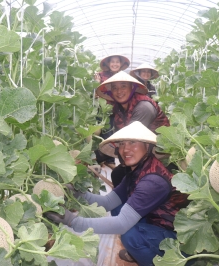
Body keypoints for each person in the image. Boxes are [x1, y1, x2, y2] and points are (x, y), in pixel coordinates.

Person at [46, 121, 190, 266]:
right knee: (118, 207)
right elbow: (108, 202)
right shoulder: (136, 170)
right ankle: (142, 252)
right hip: (158, 224)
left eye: (133, 142)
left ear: (147, 146)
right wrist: (76, 192)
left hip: (179, 243)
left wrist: (73, 221)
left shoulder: (153, 180)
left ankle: (160, 261)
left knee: (131, 236)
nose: (125, 149)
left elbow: (121, 224)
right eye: (121, 144)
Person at [94, 71, 170, 186]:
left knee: (121, 176)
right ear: (110, 91)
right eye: (115, 88)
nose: (119, 91)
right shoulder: (119, 109)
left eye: (123, 86)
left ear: (133, 87)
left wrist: (95, 157)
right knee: (117, 175)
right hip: (141, 153)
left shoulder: (144, 107)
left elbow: (130, 138)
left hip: (161, 156)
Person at [94, 55, 130, 166]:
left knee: (114, 135)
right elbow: (95, 93)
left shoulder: (124, 77)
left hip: (118, 109)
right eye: (112, 62)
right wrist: (96, 83)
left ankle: (109, 159)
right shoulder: (100, 75)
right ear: (108, 64)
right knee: (101, 134)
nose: (115, 64)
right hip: (102, 109)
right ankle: (103, 160)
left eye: (117, 62)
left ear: (120, 64)